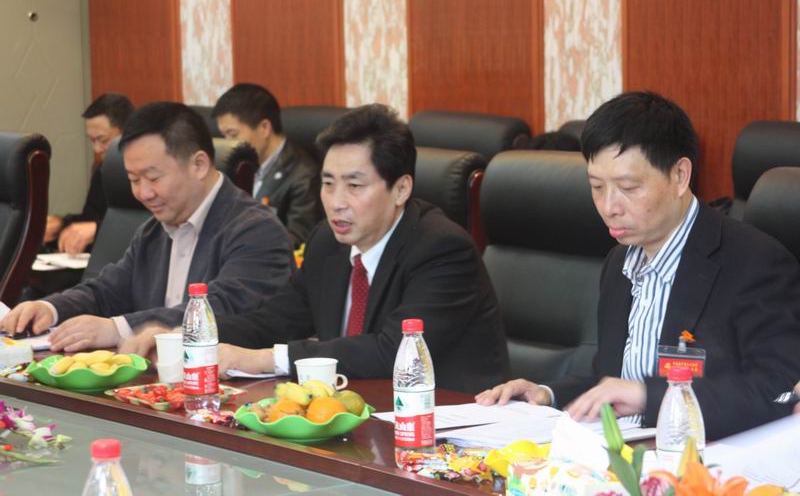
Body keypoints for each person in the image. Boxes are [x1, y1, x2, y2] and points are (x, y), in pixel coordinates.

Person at [476, 91, 800, 439]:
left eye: (628, 187)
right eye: (597, 187)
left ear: (680, 175)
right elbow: (615, 383)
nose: (609, 207)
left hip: (702, 457)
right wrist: (547, 394)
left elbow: (780, 389)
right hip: (619, 453)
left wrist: (650, 396)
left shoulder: (754, 262)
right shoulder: (620, 262)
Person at [124, 104, 511, 394]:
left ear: (401, 189)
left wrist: (266, 359)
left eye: (354, 186)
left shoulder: (442, 249)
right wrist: (184, 335)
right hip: (349, 416)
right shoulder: (328, 242)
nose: (336, 202)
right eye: (328, 184)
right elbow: (275, 320)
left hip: (446, 426)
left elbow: (392, 352)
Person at [0, 102, 295, 352]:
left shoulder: (256, 230)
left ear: (199, 165)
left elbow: (220, 310)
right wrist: (50, 309)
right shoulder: (153, 230)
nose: (142, 193)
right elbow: (107, 291)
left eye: (153, 178)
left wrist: (117, 329)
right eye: (133, 179)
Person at [212, 83, 320, 248]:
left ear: (264, 128)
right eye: (223, 136)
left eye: (233, 134)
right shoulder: (233, 165)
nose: (228, 143)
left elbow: (298, 240)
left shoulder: (303, 175)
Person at [44, 93, 135, 254]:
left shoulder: (150, 176)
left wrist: (97, 230)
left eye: (103, 140)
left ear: (127, 134)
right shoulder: (103, 170)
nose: (96, 149)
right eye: (92, 140)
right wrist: (61, 224)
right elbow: (90, 219)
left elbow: (154, 226)